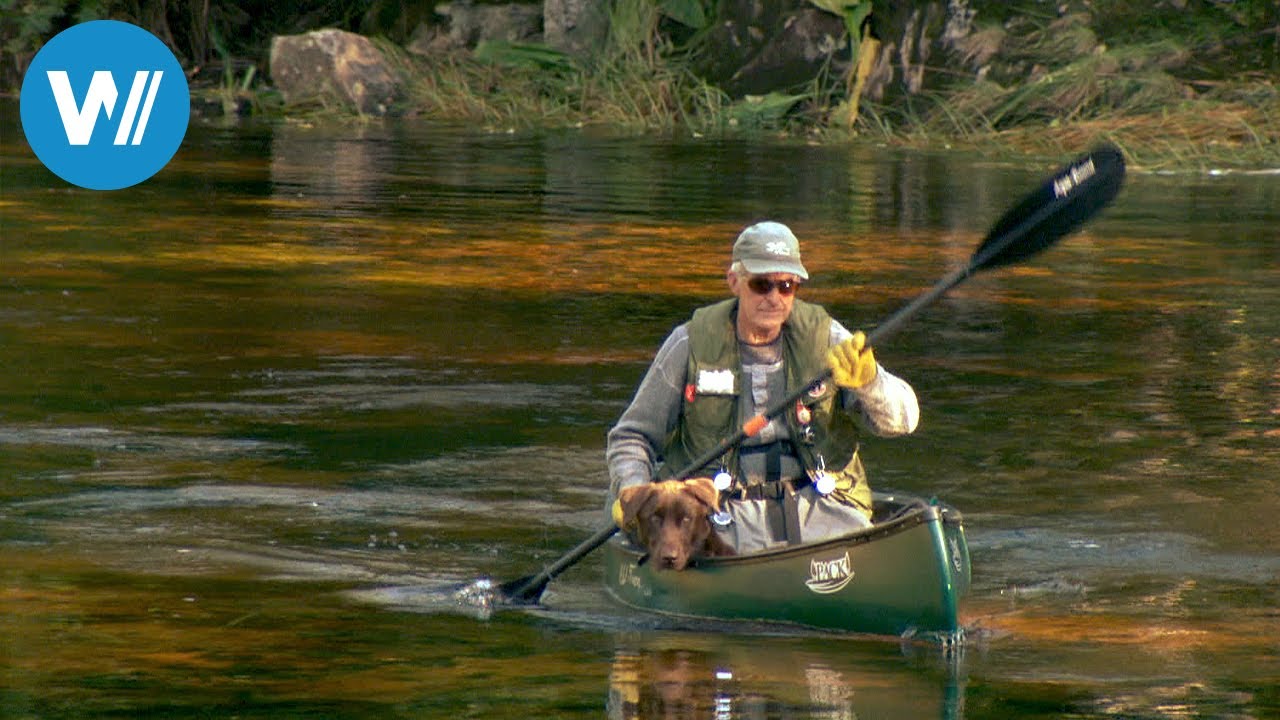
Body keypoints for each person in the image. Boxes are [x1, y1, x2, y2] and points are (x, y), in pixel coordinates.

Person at [606, 221, 919, 554]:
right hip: (722, 511)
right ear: (734, 282)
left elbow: (905, 421)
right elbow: (631, 436)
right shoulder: (688, 343)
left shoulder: (828, 339)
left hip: (821, 504)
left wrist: (871, 384)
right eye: (761, 284)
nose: (774, 298)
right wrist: (634, 492)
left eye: (786, 286)